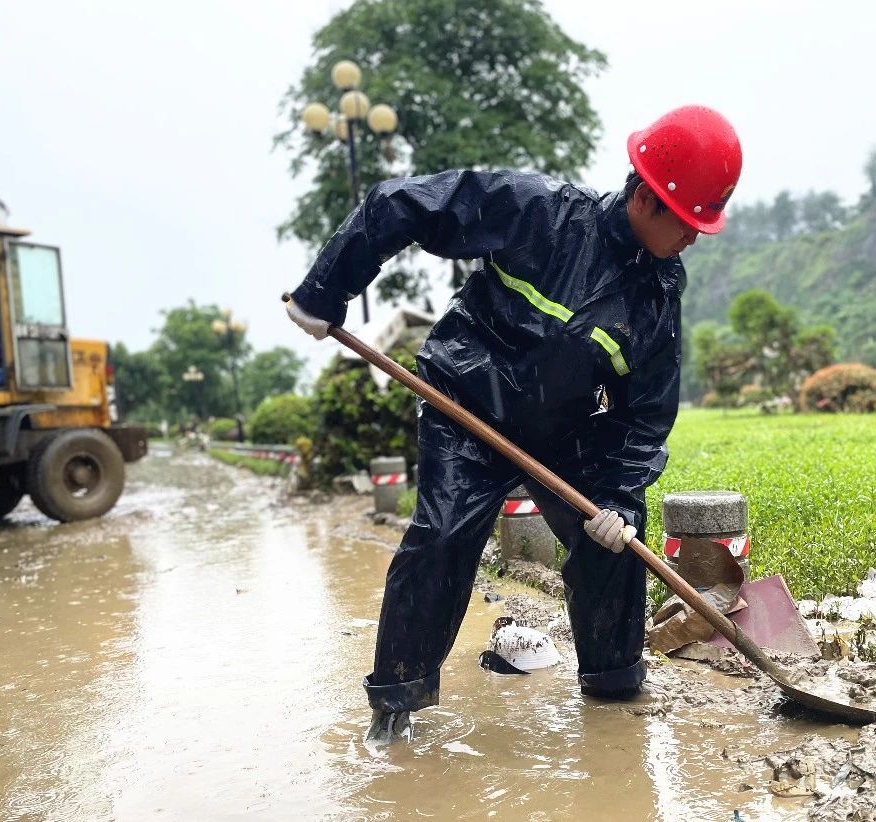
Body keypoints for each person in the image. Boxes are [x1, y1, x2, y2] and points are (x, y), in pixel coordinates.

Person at [285, 105, 742, 743]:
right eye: (689, 221)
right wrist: (326, 290)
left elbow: (646, 413)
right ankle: (396, 704)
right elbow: (399, 204)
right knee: (442, 535)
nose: (694, 236)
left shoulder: (658, 294)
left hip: (567, 433)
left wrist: (614, 498)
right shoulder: (538, 211)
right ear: (645, 195)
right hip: (466, 405)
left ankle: (614, 688)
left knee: (613, 541)